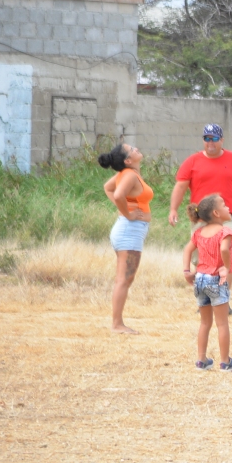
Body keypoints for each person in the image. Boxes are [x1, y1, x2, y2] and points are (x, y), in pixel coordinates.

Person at [168, 124, 232, 296]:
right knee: (201, 257)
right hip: (202, 218)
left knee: (230, 251)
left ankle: (223, 296)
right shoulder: (193, 161)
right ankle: (207, 297)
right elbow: (180, 187)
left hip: (228, 217)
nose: (210, 143)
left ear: (222, 140)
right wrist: (173, 209)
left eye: (214, 139)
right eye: (207, 139)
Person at [181, 193, 232, 371]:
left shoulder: (199, 233)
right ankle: (225, 361)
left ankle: (201, 360)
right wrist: (225, 266)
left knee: (204, 322)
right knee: (222, 323)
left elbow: (187, 250)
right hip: (215, 279)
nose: (228, 207)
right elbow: (224, 248)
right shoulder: (225, 232)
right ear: (216, 213)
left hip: (200, 278)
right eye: (224, 205)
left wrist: (187, 271)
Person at [99, 143, 154, 334]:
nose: (136, 148)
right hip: (128, 230)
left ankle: (117, 323)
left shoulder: (129, 174)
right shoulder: (129, 175)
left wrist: (126, 210)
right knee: (123, 279)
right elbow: (119, 194)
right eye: (132, 149)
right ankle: (117, 324)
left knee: (125, 279)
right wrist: (128, 214)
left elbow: (108, 188)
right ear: (128, 160)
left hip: (130, 230)